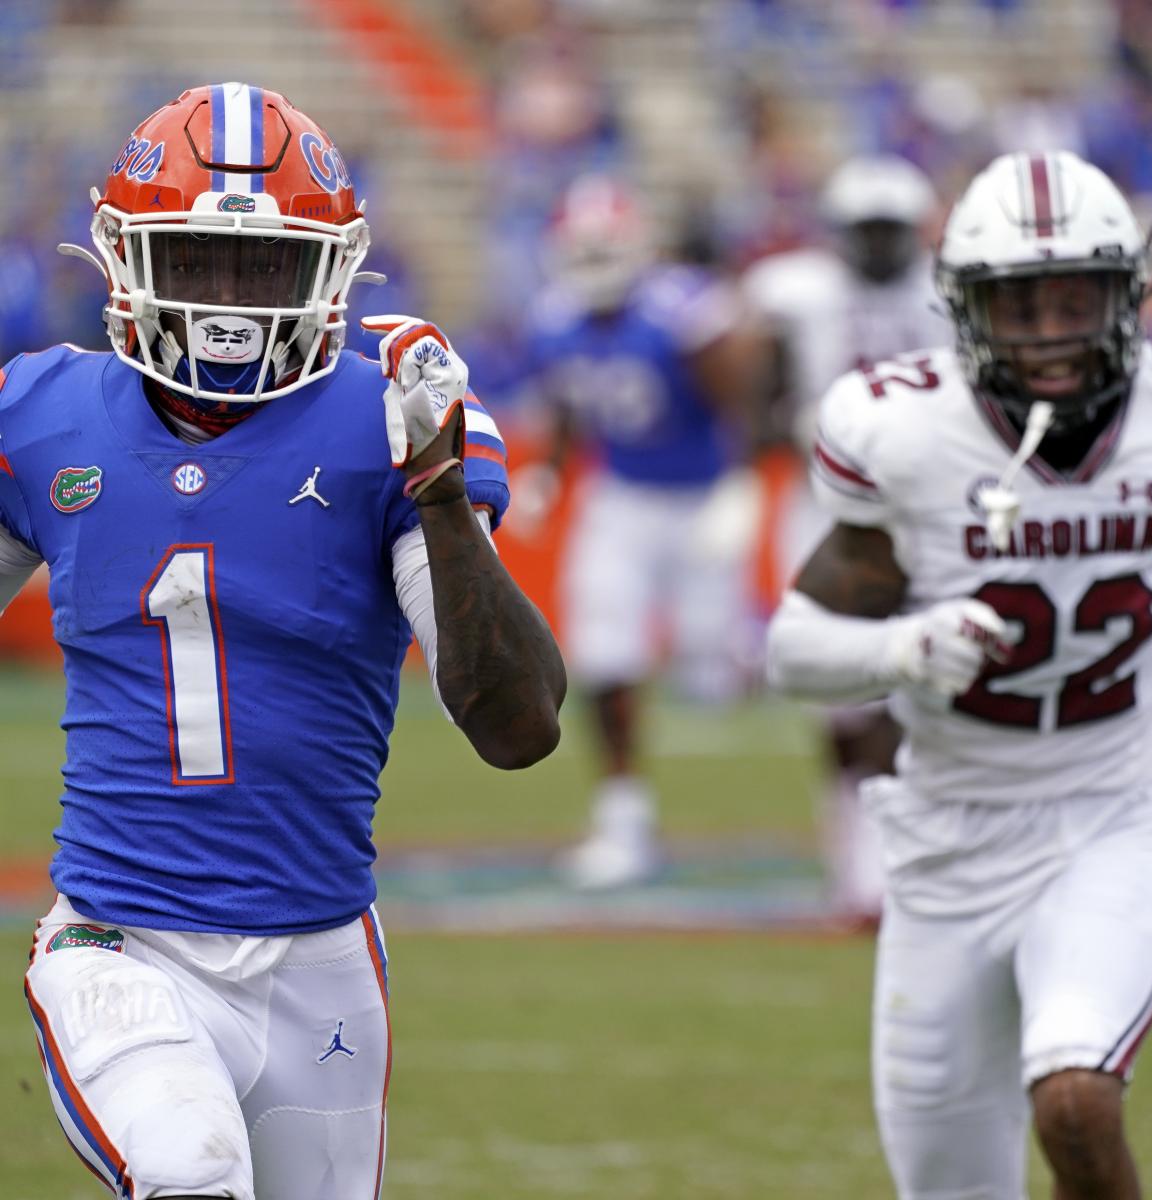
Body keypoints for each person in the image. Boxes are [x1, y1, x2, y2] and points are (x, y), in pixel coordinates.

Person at [2, 83, 565, 1200]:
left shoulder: (383, 421)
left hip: (322, 961)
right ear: (123, 257)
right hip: (122, 944)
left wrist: (441, 489)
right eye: (196, 259)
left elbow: (517, 729)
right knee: (190, 1170)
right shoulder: (43, 415)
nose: (226, 302)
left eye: (261, 267)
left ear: (330, 274)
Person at [765, 149, 1152, 1198]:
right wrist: (900, 648)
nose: (1049, 332)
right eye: (1020, 303)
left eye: (1075, 299)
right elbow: (794, 651)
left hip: (1113, 814)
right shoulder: (902, 427)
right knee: (951, 1180)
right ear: (964, 306)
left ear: (1126, 294)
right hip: (946, 844)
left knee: (1076, 1095)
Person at [507, 173, 765, 889]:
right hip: (620, 498)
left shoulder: (682, 310)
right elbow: (565, 404)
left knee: (710, 668)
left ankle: (755, 643)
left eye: (604, 250)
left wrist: (742, 481)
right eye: (582, 252)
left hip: (699, 496)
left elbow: (740, 395)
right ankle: (623, 823)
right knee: (603, 651)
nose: (593, 266)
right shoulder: (554, 318)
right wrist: (549, 472)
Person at [742, 154, 948, 922]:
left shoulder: (946, 292)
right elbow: (761, 401)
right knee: (836, 692)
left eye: (890, 230)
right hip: (823, 506)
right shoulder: (801, 294)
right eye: (868, 230)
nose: (879, 246)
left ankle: (883, 858)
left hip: (923, 508)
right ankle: (855, 848)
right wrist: (787, 427)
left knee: (906, 678)